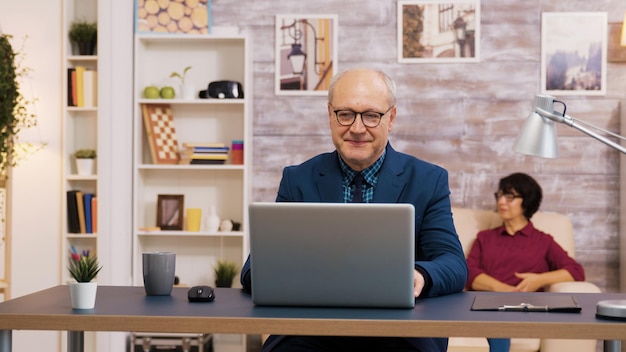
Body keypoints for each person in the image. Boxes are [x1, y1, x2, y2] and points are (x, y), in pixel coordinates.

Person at [240, 67, 468, 352]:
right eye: (345, 114)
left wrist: (419, 276)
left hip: (401, 332)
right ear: (330, 115)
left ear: (391, 118)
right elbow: (254, 270)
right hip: (311, 330)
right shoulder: (297, 180)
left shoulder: (428, 180)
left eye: (371, 115)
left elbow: (454, 264)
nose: (357, 128)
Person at [465, 172, 585, 352]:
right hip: (484, 305)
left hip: (522, 308)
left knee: (501, 321)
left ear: (527, 200)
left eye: (509, 196)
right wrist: (504, 290)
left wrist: (538, 280)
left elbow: (576, 271)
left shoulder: (543, 241)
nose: (501, 201)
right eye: (499, 195)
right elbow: (469, 272)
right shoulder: (485, 238)